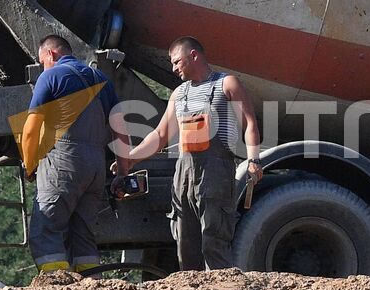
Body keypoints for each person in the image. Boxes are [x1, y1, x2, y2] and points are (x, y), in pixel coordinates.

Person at [116, 36, 262, 271]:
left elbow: (250, 124)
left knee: (213, 240)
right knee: (185, 243)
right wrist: (129, 159)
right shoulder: (179, 94)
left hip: (216, 173)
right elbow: (160, 135)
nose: (173, 69)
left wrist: (254, 159)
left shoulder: (227, 84)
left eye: (176, 62)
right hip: (183, 176)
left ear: (193, 55)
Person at [17, 34, 117, 275]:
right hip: (96, 167)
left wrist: (29, 164)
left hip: (65, 162)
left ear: (51, 54)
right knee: (83, 233)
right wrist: (121, 168)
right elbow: (119, 128)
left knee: (46, 229)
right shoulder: (100, 78)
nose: (43, 66)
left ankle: (56, 289)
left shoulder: (51, 76)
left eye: (43, 61)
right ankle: (92, 287)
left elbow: (30, 130)